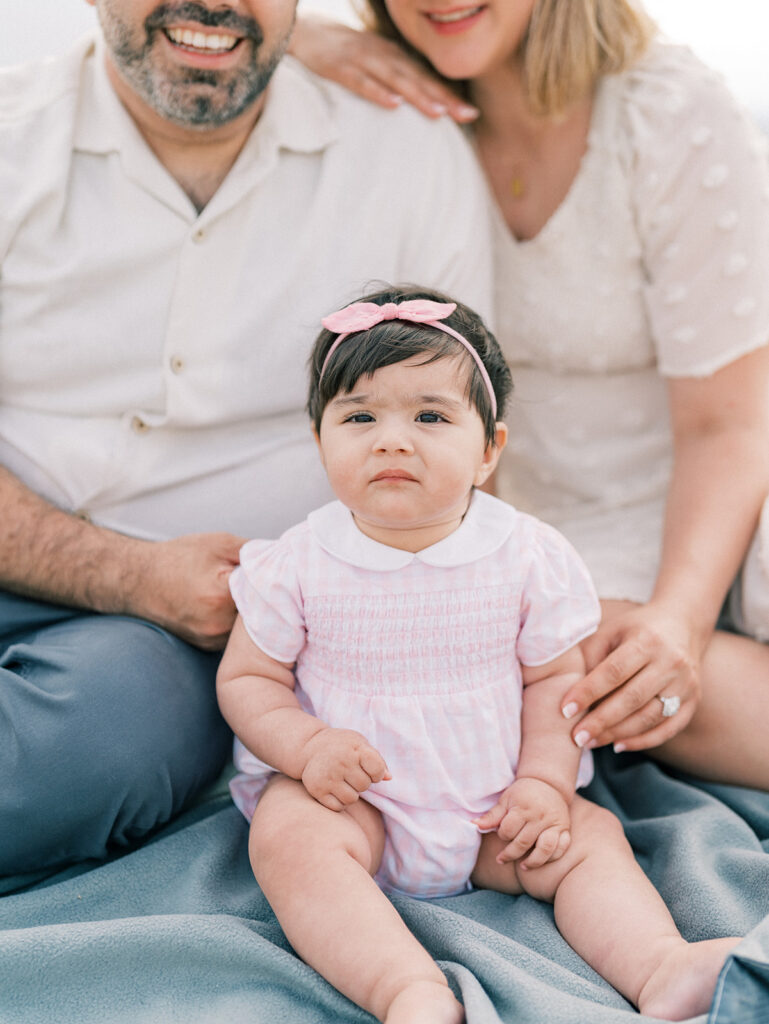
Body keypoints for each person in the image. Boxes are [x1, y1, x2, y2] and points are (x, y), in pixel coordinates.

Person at [0, 0, 494, 882]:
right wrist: (126, 571)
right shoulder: (13, 137)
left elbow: (453, 444)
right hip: (41, 546)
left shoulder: (403, 156)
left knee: (111, 736)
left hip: (161, 649)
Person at [216, 285, 739, 1024]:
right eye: (359, 416)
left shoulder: (525, 556)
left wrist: (544, 785)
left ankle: (658, 966)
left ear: (489, 449)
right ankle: (408, 990)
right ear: (319, 439)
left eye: (430, 416)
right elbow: (248, 679)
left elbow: (555, 682)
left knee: (587, 839)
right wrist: (307, 748)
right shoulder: (295, 563)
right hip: (355, 803)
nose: (391, 440)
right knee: (289, 839)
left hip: (492, 808)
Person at [288, 1, 769, 789]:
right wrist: (299, 35)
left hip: (715, 490)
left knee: (650, 655)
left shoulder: (667, 110)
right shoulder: (396, 116)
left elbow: (726, 425)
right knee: (591, 664)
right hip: (541, 516)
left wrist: (678, 620)